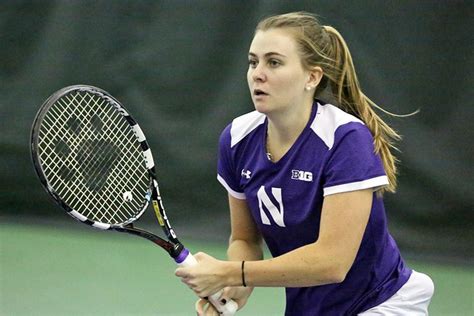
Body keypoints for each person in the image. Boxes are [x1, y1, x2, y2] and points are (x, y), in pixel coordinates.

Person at [175, 11, 434, 315]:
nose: (258, 73)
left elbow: (332, 263)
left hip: (382, 303)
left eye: (274, 62)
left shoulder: (345, 139)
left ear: (312, 77)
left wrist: (231, 272)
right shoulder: (236, 140)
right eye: (252, 61)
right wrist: (236, 286)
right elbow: (245, 238)